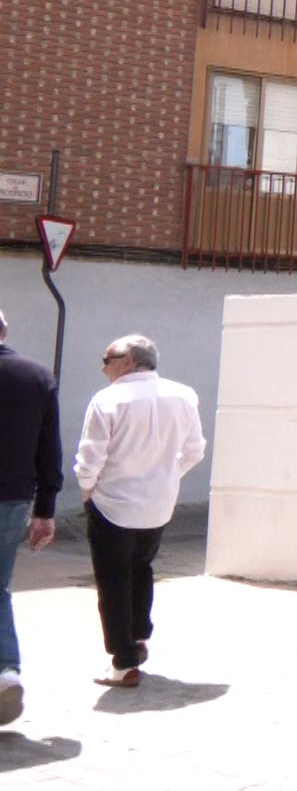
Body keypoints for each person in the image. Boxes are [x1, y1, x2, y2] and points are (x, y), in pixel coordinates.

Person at [75, 334, 205, 688]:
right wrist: (167, 476)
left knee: (113, 580)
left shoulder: (108, 400)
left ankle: (124, 660)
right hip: (158, 504)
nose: (103, 366)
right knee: (141, 569)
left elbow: (90, 457)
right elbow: (195, 450)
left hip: (112, 503)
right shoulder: (183, 395)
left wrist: (87, 488)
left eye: (109, 358)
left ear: (129, 361)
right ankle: (139, 637)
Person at [0, 310, 62, 723]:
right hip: (13, 499)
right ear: (4, 330)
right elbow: (49, 448)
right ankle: (5, 670)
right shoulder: (36, 376)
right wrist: (45, 509)